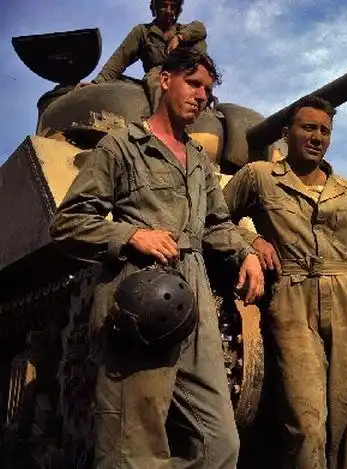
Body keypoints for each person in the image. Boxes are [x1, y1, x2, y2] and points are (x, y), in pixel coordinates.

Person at [51, 45, 264, 469]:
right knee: (133, 447)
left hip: (195, 296)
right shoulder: (122, 146)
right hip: (141, 291)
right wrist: (131, 235)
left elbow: (216, 223)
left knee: (221, 444)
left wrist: (247, 252)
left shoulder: (199, 160)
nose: (201, 96)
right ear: (165, 80)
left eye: (207, 90)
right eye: (193, 83)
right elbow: (67, 223)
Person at [222, 95, 347, 469]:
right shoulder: (259, 176)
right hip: (294, 300)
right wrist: (250, 239)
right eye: (308, 127)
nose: (317, 137)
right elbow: (214, 218)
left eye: (325, 130)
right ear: (286, 132)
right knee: (304, 424)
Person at [86, 0, 208, 111]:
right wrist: (96, 84)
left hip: (184, 71)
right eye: (164, 6)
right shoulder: (143, 32)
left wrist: (179, 37)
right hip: (158, 73)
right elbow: (119, 60)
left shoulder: (182, 29)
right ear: (155, 7)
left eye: (173, 7)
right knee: (152, 82)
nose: (168, 11)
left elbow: (200, 28)